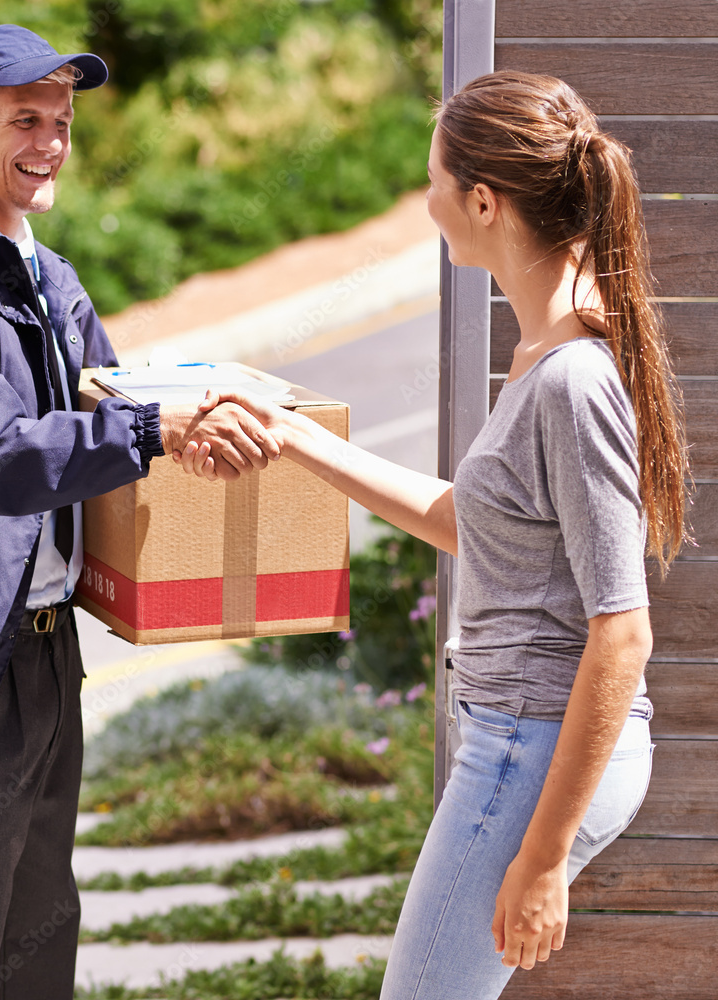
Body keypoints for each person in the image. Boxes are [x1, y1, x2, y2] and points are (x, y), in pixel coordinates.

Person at [179, 71, 689, 998]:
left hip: (528, 758)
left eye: (435, 182)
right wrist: (294, 436)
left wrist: (542, 859)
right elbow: (473, 524)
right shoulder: (542, 351)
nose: (425, 201)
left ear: (484, 202)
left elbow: (624, 628)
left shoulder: (572, 381)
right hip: (517, 746)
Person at [0, 24, 278, 1000]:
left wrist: (189, 426)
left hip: (42, 652)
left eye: (62, 121)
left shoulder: (48, 278)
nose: (49, 142)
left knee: (36, 943)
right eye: (25, 118)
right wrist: (159, 426)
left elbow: (103, 419)